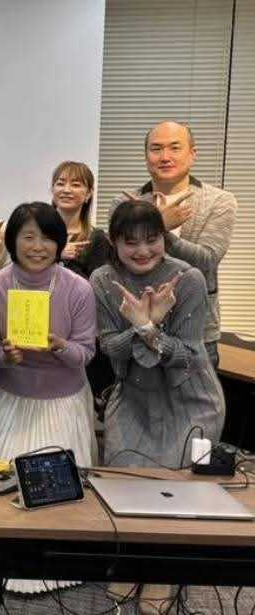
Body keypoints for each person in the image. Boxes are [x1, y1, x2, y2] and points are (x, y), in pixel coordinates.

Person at [91, 199, 225, 613]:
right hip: (133, 394)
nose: (143, 250)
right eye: (130, 242)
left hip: (189, 397)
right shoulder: (103, 279)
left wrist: (149, 329)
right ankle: (133, 561)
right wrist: (142, 328)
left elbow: (189, 354)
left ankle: (163, 570)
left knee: (177, 490)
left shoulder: (188, 278)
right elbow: (108, 346)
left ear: (164, 238)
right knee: (126, 481)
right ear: (114, 242)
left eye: (152, 239)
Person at [0, 202, 98, 594]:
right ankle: (2, 563)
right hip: (11, 396)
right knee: (5, 487)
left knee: (60, 491)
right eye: (27, 237)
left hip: (64, 398)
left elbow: (86, 352)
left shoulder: (78, 288)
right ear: (12, 241)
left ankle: (60, 566)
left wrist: (61, 347)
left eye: (46, 238)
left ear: (59, 243)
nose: (37, 246)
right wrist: (3, 355)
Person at [114, 121, 237, 367]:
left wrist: (158, 227)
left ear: (193, 153)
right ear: (146, 156)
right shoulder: (125, 202)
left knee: (196, 393)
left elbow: (206, 261)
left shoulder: (219, 201)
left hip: (196, 331)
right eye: (156, 149)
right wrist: (161, 223)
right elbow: (118, 261)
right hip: (136, 328)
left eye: (174, 147)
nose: (165, 157)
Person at [50, 161, 115, 406]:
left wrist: (61, 261)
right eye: (60, 183)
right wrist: (55, 254)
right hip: (40, 327)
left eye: (76, 184)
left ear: (88, 195)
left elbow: (96, 292)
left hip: (78, 334)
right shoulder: (37, 234)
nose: (67, 189)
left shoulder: (97, 239)